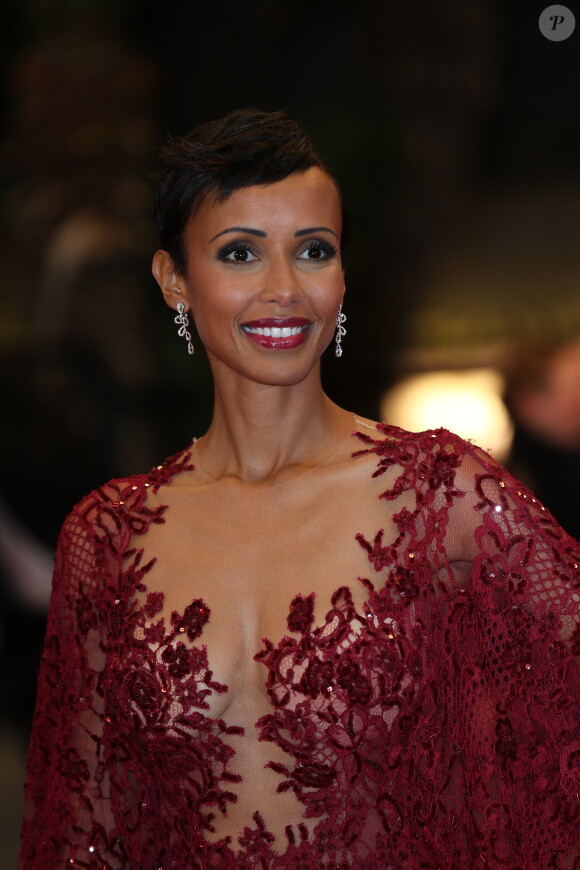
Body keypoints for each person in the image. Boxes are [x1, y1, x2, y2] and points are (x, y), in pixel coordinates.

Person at [20, 109, 579, 870]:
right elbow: (82, 826)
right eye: (241, 253)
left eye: (313, 250)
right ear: (173, 280)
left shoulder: (442, 496)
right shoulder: (110, 535)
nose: (283, 289)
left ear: (342, 274)